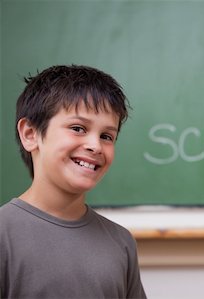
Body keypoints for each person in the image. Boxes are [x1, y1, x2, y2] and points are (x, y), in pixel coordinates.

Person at [0, 65, 147, 298]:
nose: (95, 146)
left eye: (106, 136)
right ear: (30, 134)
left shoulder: (121, 242)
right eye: (78, 128)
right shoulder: (4, 234)